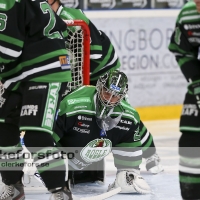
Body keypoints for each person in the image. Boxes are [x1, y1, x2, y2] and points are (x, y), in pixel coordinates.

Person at [46, 0, 163, 181]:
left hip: (100, 73)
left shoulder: (71, 17)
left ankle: (151, 154)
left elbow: (94, 53)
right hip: (81, 73)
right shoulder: (41, 17)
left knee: (126, 118)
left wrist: (76, 84)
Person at [0, 0, 72, 199]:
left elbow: (8, 49)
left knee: (36, 136)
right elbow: (60, 29)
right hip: (22, 74)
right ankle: (13, 185)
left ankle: (60, 191)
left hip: (44, 72)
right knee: (3, 129)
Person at [53, 70, 161, 197]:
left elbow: (135, 142)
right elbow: (46, 137)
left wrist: (129, 172)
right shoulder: (72, 106)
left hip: (89, 167)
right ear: (99, 87)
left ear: (122, 96)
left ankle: (153, 155)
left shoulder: (128, 116)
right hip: (61, 160)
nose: (109, 100)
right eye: (107, 92)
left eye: (115, 96)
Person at [168, 0, 200, 199]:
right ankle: (191, 194)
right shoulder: (189, 14)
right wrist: (197, 84)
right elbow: (182, 50)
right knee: (190, 135)